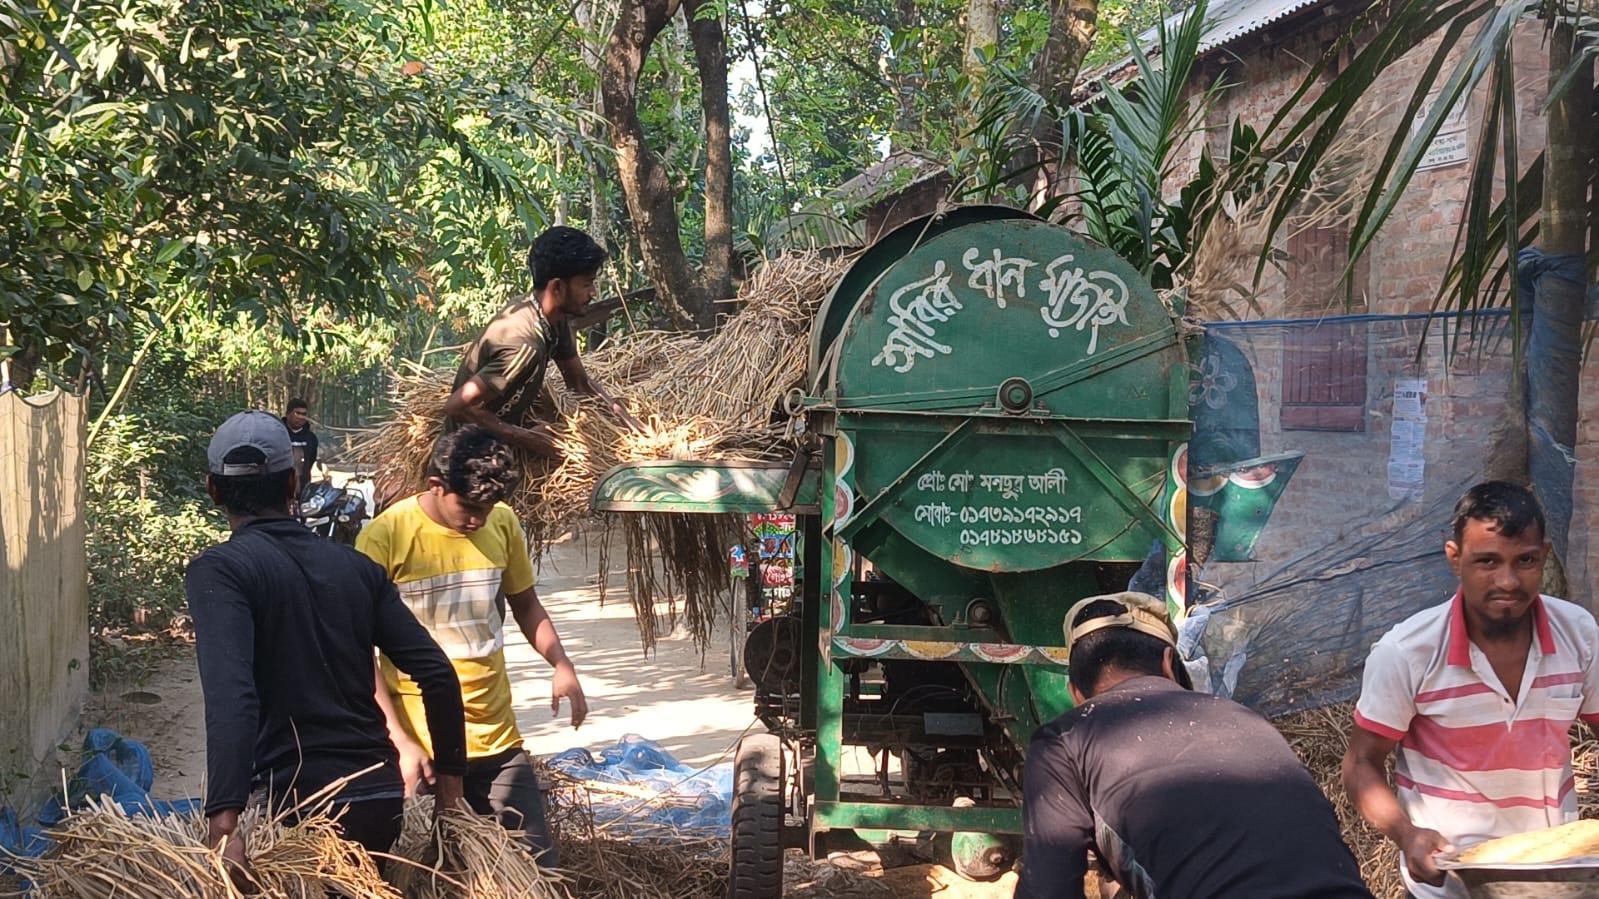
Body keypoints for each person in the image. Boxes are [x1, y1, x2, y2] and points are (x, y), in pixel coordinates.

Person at [186, 410, 467, 880]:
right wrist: (451, 797)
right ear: (293, 484)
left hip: (293, 808)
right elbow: (437, 673)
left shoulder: (221, 571)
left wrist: (224, 820)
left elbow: (232, 697)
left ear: (214, 490)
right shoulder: (357, 568)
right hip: (378, 801)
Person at [1017, 591, 1373, 899]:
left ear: (1075, 694)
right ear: (1170, 665)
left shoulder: (1065, 741)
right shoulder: (1244, 719)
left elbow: (1047, 890)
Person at [1343, 481, 1599, 899]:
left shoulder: (1580, 635)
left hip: (1557, 880)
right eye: (1487, 561)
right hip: (1451, 884)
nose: (1508, 581)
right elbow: (1360, 764)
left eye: (1526, 560)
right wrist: (1408, 835)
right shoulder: (1409, 652)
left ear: (1545, 557)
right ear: (1454, 558)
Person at [357, 425, 589, 864]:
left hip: (495, 735)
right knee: (422, 874)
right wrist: (399, 741)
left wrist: (561, 663)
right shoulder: (385, 537)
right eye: (468, 506)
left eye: (488, 507)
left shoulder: (502, 524)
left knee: (539, 870)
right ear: (435, 486)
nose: (478, 519)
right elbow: (358, 650)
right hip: (419, 743)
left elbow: (525, 603)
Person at [443, 225, 639, 461]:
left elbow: (578, 382)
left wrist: (620, 417)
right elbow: (457, 407)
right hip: (465, 463)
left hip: (495, 447)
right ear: (557, 286)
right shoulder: (523, 345)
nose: (594, 293)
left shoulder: (552, 318)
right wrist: (529, 439)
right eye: (587, 284)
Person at [281, 398, 318, 490]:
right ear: (288, 414)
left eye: (304, 414)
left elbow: (311, 460)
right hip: (280, 487)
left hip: (303, 487)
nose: (301, 417)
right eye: (297, 413)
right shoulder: (277, 434)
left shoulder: (311, 438)